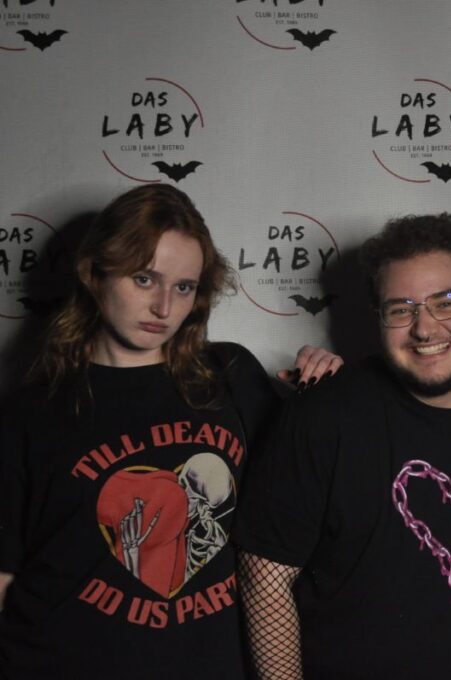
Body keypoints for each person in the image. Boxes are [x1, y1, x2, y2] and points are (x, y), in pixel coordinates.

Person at [0, 184, 340, 679]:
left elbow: (303, 509)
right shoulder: (30, 411)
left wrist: (327, 395)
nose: (164, 307)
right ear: (95, 273)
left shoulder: (231, 377)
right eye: (144, 279)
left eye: (183, 287)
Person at [233, 213, 451, 679]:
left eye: (446, 302)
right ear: (379, 318)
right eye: (401, 309)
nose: (425, 329)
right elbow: (264, 576)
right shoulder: (322, 416)